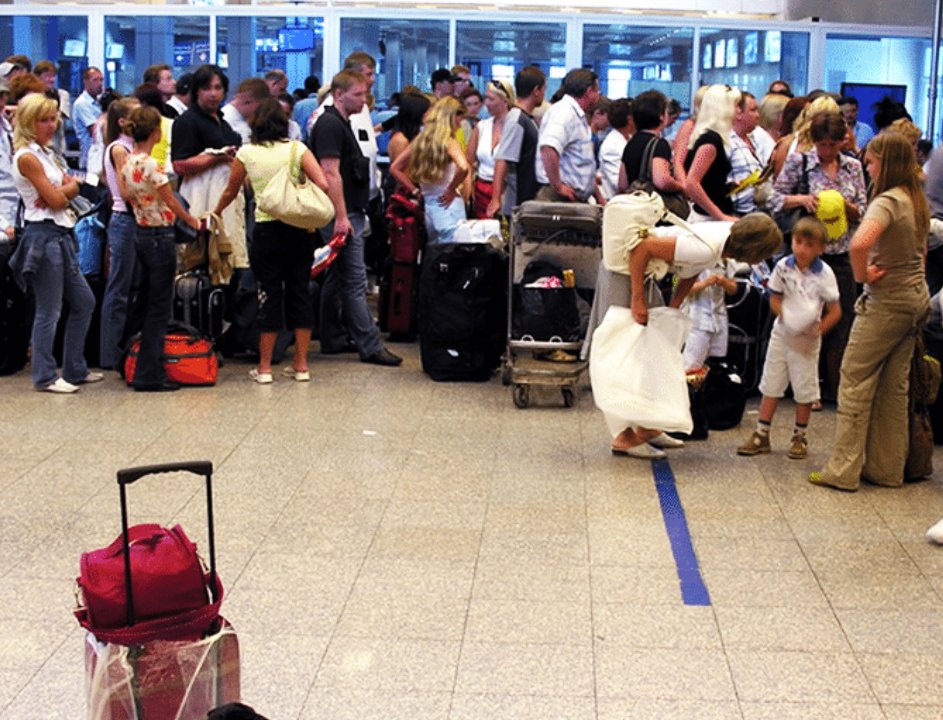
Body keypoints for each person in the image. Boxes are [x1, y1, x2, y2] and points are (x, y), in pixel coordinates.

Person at [601, 212, 783, 457]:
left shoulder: (721, 239)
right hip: (627, 273)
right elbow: (642, 249)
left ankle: (647, 428)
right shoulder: (706, 248)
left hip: (644, 274)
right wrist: (637, 301)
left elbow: (692, 270)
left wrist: (674, 307)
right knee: (630, 354)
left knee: (651, 356)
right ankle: (624, 437)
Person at [810, 133, 932, 491]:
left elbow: (860, 243)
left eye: (872, 159)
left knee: (855, 378)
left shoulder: (887, 201)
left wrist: (865, 276)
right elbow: (922, 252)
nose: (867, 164)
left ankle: (843, 469)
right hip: (915, 298)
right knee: (894, 388)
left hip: (887, 301)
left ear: (887, 163)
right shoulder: (915, 199)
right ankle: (886, 468)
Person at [214, 97, 329, 384]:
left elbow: (231, 191)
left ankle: (264, 368)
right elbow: (324, 184)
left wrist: (214, 212)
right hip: (299, 231)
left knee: (268, 295)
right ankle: (301, 365)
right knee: (300, 293)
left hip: (266, 231)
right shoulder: (297, 149)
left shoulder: (247, 153)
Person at [768, 111, 867, 404]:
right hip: (805, 257)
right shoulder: (801, 163)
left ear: (841, 142)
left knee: (841, 320)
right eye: (821, 144)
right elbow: (774, 198)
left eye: (831, 145)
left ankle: (835, 387)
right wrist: (803, 200)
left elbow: (863, 208)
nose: (825, 151)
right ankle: (799, 389)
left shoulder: (852, 167)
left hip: (840, 254)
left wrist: (845, 207)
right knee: (803, 317)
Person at [9, 93, 100, 393]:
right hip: (43, 236)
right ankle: (45, 375)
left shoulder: (45, 152)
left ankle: (74, 367)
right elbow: (57, 197)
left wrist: (65, 189)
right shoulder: (27, 157)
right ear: (28, 122)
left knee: (84, 302)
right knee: (49, 310)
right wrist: (67, 189)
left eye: (53, 118)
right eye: (44, 120)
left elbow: (64, 190)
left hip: (60, 233)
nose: (52, 124)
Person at [310, 70, 402, 366]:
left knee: (337, 278)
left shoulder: (340, 122)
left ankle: (332, 337)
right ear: (339, 94)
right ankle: (370, 344)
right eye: (358, 94)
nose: (365, 100)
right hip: (342, 211)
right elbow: (329, 173)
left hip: (347, 210)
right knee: (354, 279)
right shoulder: (330, 125)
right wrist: (340, 215)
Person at [737, 217, 842, 459]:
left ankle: (799, 436)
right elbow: (775, 298)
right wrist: (787, 315)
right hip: (782, 333)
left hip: (807, 340)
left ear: (820, 248)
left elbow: (835, 311)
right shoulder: (783, 266)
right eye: (798, 242)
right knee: (771, 382)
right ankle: (762, 433)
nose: (801, 249)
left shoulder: (825, 274)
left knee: (804, 388)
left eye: (809, 244)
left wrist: (818, 330)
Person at [122, 106, 202, 392]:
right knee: (159, 307)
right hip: (160, 236)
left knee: (142, 302)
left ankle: (130, 361)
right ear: (156, 132)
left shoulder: (128, 162)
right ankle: (149, 373)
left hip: (141, 232)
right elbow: (170, 199)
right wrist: (191, 219)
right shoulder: (151, 165)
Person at [171, 64, 247, 273]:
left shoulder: (223, 121)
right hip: (199, 197)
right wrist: (214, 158)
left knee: (228, 257)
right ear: (196, 91)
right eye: (206, 88)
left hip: (227, 196)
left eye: (217, 88)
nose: (213, 94)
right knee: (202, 258)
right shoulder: (186, 121)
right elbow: (179, 165)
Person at [389, 96, 469, 242]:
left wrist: (415, 191)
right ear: (452, 117)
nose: (460, 125)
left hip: (429, 206)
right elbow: (464, 167)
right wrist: (452, 188)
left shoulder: (421, 140)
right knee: (453, 255)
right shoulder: (449, 142)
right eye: (460, 120)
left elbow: (395, 168)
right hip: (449, 205)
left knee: (434, 254)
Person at [99, 96, 141, 370]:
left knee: (133, 286)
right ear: (123, 121)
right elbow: (127, 190)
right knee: (119, 288)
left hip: (133, 220)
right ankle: (110, 354)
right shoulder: (119, 149)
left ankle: (126, 346)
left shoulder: (132, 146)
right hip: (124, 219)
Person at [535, 68, 601, 203]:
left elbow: (581, 163)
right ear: (589, 92)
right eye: (597, 91)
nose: (599, 96)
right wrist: (558, 186)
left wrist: (600, 199)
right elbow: (548, 148)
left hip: (571, 196)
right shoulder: (563, 113)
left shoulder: (576, 115)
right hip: (558, 197)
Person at [487, 65, 545, 218]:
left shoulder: (527, 119)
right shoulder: (516, 119)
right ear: (536, 90)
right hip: (518, 202)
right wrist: (495, 199)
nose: (544, 95)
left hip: (527, 200)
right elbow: (502, 159)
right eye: (543, 90)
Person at [683, 84, 739, 222]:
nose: (738, 110)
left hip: (709, 216)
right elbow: (692, 183)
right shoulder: (711, 141)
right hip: (707, 219)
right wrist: (720, 216)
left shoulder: (710, 138)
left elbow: (706, 182)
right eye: (736, 105)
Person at [618, 89, 683, 199]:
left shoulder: (631, 143)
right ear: (661, 116)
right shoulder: (659, 144)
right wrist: (680, 186)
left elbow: (622, 184)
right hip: (652, 208)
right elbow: (662, 180)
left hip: (632, 207)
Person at [467, 79, 514, 218]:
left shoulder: (515, 127)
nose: (486, 103)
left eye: (491, 99)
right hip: (481, 189)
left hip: (506, 190)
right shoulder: (481, 126)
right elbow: (469, 161)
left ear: (505, 101)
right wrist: (469, 188)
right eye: (485, 98)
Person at [681, 261, 738, 372]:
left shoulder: (726, 261)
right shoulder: (690, 259)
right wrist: (706, 283)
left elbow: (734, 289)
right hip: (697, 319)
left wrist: (724, 282)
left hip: (719, 319)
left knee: (713, 364)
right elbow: (679, 288)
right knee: (691, 365)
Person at [726, 91, 764, 216]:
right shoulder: (726, 142)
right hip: (735, 214)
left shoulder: (755, 139)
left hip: (757, 212)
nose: (758, 115)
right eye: (753, 110)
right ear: (738, 113)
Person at [597, 97, 633, 201]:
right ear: (629, 119)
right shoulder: (612, 146)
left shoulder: (629, 139)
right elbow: (619, 184)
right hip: (615, 202)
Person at [71, 66, 103, 170]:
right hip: (89, 162)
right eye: (95, 80)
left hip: (100, 160)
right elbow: (95, 131)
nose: (99, 83)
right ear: (85, 82)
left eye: (101, 79)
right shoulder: (82, 103)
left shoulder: (99, 103)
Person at [221, 77, 270, 144]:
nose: (261, 111)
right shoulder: (240, 130)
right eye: (260, 107)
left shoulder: (224, 113)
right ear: (247, 102)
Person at [387, 92, 430, 163]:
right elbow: (402, 170)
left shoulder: (414, 135)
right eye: (427, 112)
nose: (430, 115)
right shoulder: (400, 140)